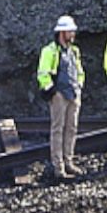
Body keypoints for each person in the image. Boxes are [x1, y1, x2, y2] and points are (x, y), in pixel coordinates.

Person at [35, 15, 85, 179]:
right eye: (70, 31)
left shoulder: (74, 51)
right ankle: (59, 167)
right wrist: (53, 91)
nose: (73, 34)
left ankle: (68, 162)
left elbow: (79, 71)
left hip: (73, 93)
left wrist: (79, 85)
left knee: (71, 128)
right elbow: (43, 74)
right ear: (62, 32)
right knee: (58, 129)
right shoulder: (49, 51)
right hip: (59, 95)